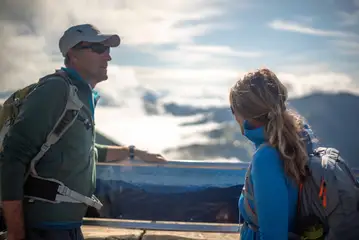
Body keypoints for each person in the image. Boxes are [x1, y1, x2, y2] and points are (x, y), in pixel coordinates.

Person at [0, 23, 166, 240]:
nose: (108, 57)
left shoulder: (79, 96)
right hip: (44, 229)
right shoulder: (56, 90)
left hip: (66, 227)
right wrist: (16, 232)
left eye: (108, 50)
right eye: (99, 49)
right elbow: (13, 156)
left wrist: (133, 152)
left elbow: (84, 150)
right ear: (73, 55)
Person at [229, 68, 315, 239]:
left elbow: (273, 234)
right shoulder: (301, 138)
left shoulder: (266, 158)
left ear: (246, 115)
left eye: (233, 110)